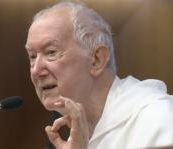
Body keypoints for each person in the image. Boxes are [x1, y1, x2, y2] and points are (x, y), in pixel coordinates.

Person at [25, 1, 173, 149]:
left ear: (97, 60)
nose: (36, 70)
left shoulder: (156, 116)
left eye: (51, 52)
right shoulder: (65, 135)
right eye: (32, 56)